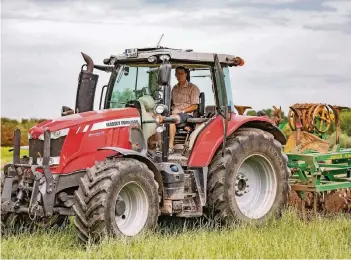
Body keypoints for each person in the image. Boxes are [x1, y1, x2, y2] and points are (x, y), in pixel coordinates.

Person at [169, 66, 200, 154]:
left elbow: (195, 106)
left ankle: (170, 147)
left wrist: (182, 111)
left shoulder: (192, 88)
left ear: (186, 74)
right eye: (177, 74)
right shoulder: (174, 88)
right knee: (158, 118)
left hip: (186, 114)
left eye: (181, 74)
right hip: (174, 112)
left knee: (171, 119)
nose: (179, 76)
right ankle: (157, 145)